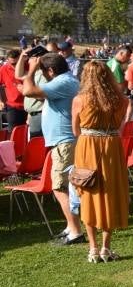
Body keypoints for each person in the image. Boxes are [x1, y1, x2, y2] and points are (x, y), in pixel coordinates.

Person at [19, 52, 85, 246]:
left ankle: (75, 231)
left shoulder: (62, 82)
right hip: (64, 141)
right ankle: (70, 226)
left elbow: (27, 91)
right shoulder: (67, 80)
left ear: (50, 70)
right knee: (67, 186)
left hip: (64, 142)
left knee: (60, 187)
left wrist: (31, 69)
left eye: (43, 71)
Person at [71, 61, 130, 262]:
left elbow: (75, 130)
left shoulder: (80, 100)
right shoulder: (122, 101)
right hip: (112, 145)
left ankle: (93, 248)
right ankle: (105, 247)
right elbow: (121, 126)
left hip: (87, 145)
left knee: (88, 191)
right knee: (110, 193)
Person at [0, 48, 28, 128]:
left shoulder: (28, 66)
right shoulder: (3, 69)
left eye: (17, 63)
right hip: (13, 107)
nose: (15, 66)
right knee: (14, 132)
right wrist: (1, 101)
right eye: (12, 63)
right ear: (8, 61)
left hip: (29, 106)